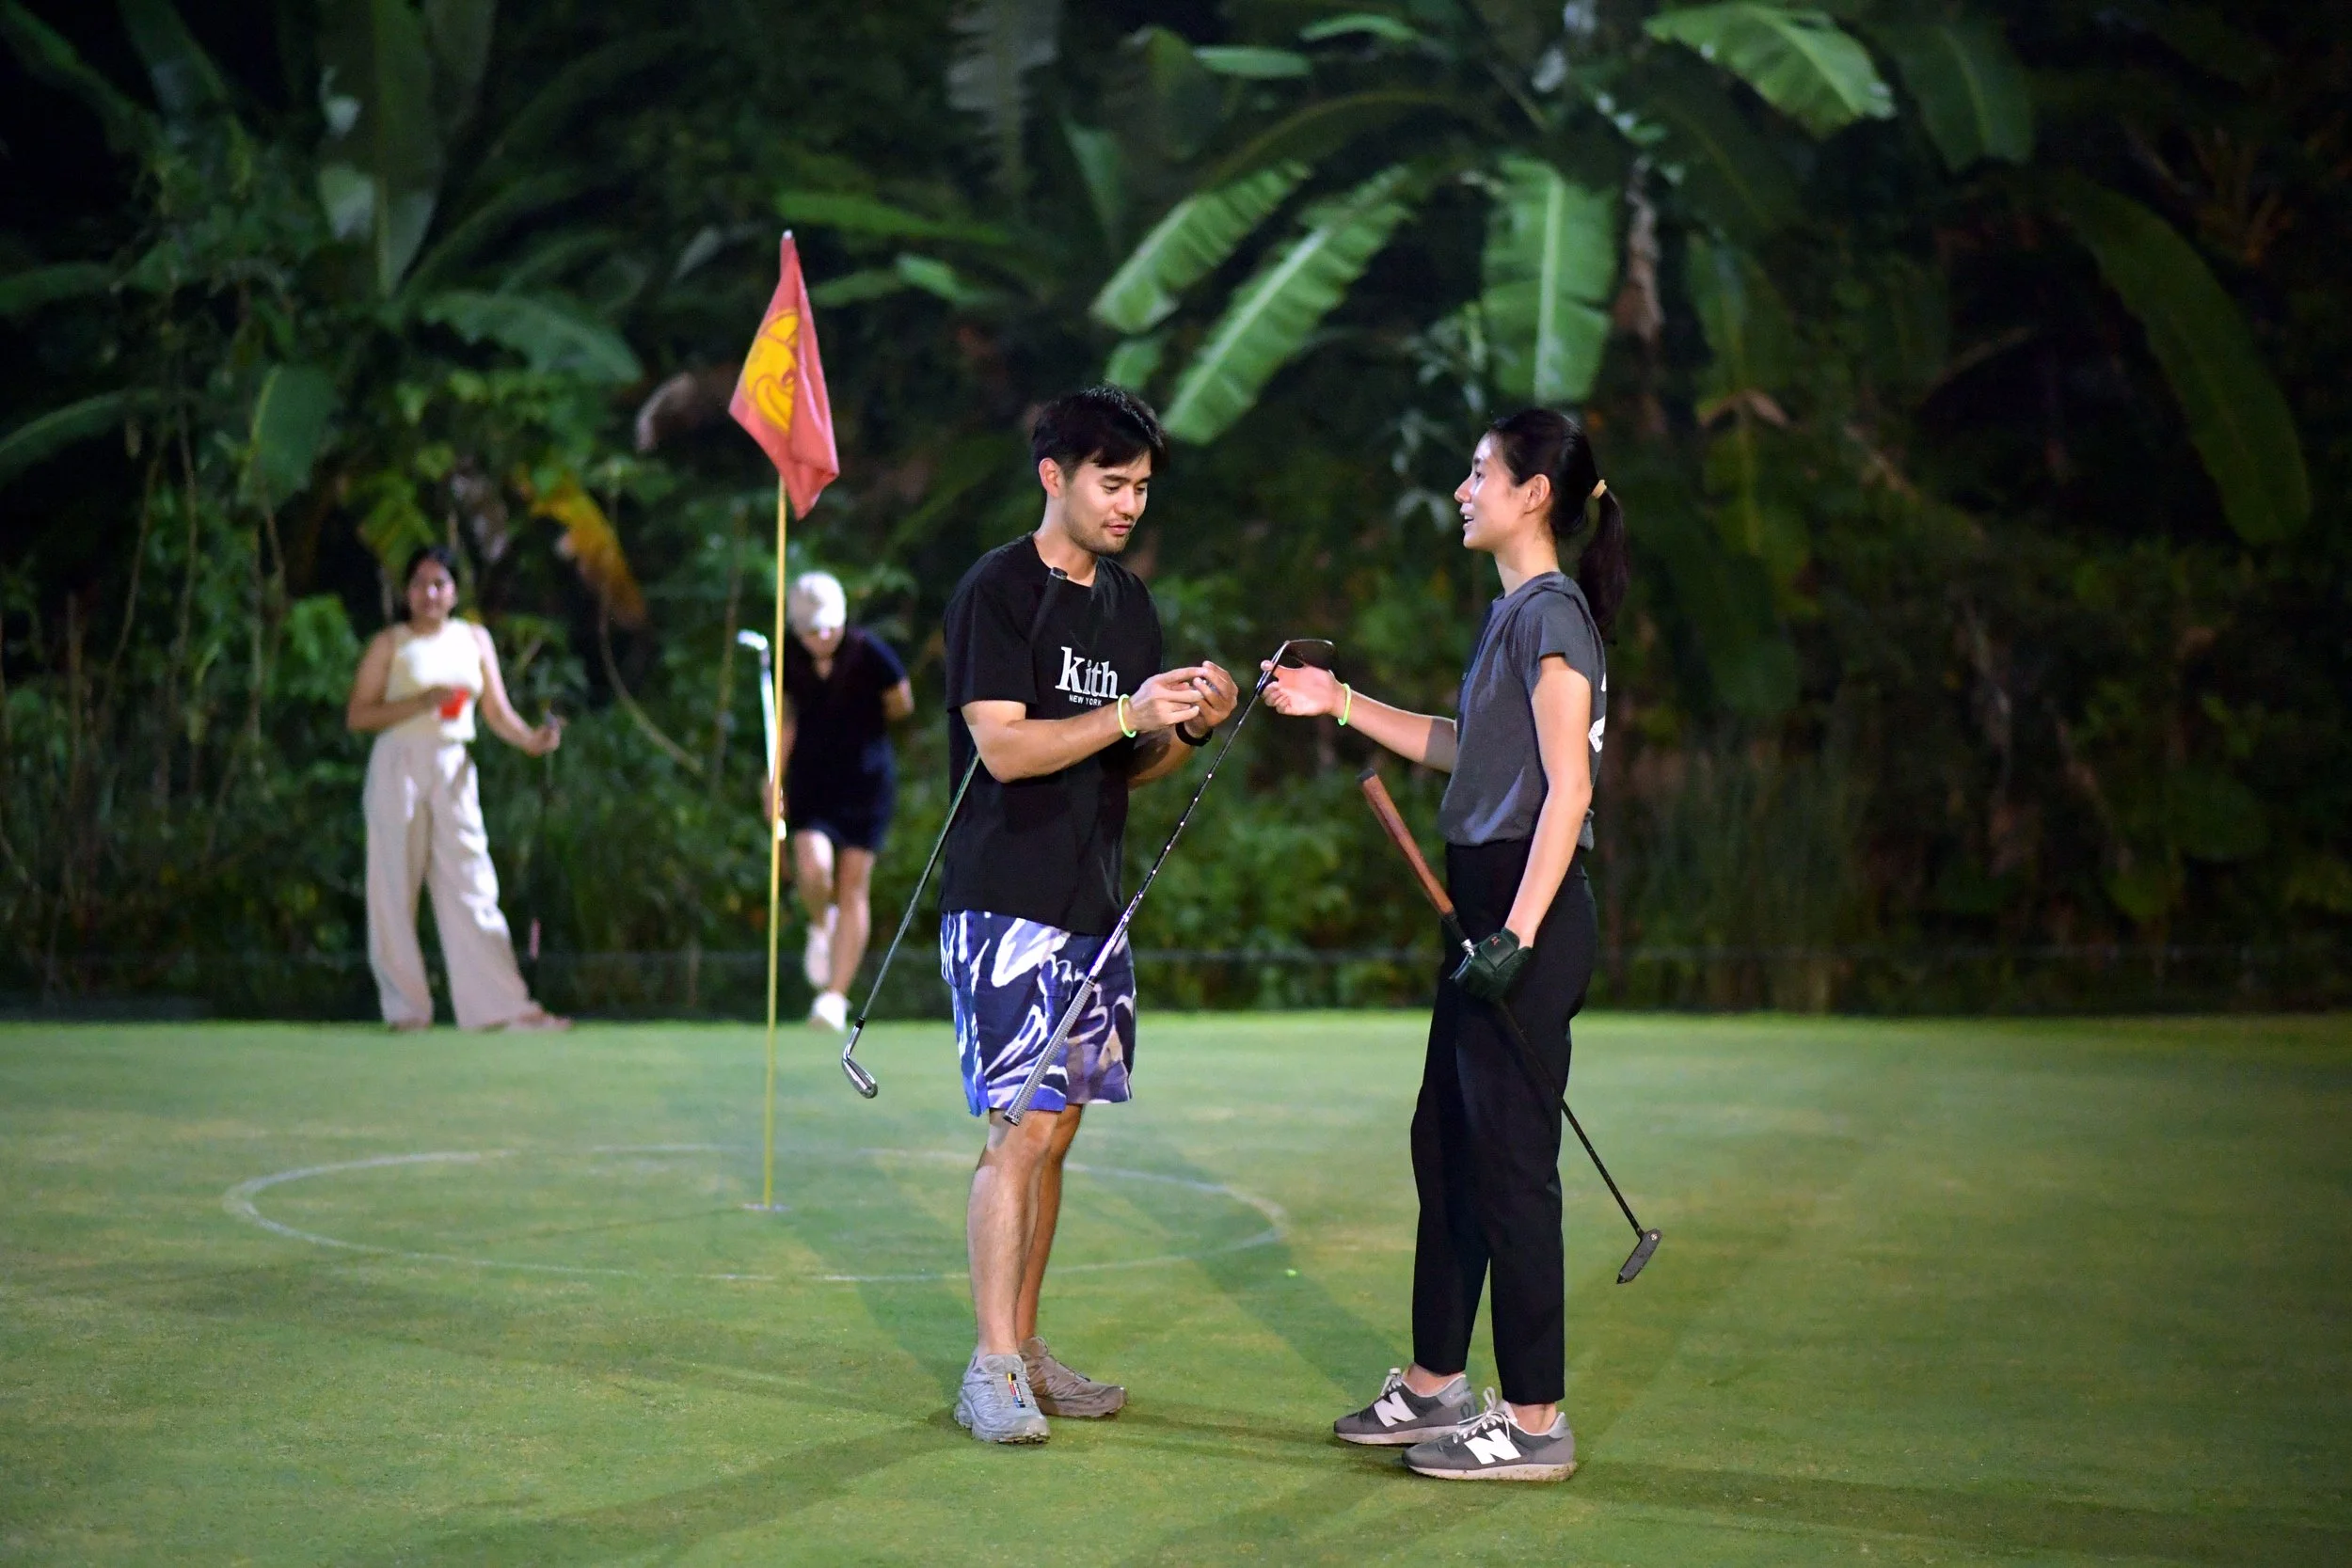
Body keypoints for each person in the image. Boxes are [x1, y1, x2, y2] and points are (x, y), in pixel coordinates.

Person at [1265, 408, 1628, 1481]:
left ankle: (1535, 1419)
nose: (1463, 490)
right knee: (1450, 1145)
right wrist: (1338, 702)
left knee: (1511, 1166)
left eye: (1479, 472)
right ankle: (1435, 1384)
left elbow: (1569, 790)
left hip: (1526, 913)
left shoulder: (1551, 613)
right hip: (1485, 909)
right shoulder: (1511, 612)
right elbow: (1471, 751)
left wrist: (1516, 930)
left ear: (1534, 494)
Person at [935, 386, 1238, 1444]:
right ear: (1053, 475)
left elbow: (1126, 765)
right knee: (1018, 1129)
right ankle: (988, 1367)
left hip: (1092, 906)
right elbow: (1004, 748)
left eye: (1142, 487)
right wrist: (1124, 710)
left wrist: (1186, 728)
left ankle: (1023, 1348)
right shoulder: (997, 590)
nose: (1128, 505)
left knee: (1057, 1130)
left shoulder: (1129, 603)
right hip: (1004, 902)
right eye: (1112, 483)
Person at [345, 545, 569, 1032]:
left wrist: (531, 739)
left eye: (439, 583)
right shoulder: (391, 643)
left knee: (472, 882)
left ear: (453, 591)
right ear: (407, 592)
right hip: (399, 764)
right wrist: (421, 701)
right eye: (420, 583)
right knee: (392, 887)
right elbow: (359, 715)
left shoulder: (474, 638)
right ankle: (406, 1011)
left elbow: (496, 712)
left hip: (453, 765)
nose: (429, 593)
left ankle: (501, 1007)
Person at [772, 570, 914, 1032]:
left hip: (866, 784)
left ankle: (834, 997)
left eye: (829, 626)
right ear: (798, 630)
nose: (823, 636)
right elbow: (787, 720)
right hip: (812, 783)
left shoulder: (869, 652)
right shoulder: (789, 658)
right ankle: (820, 923)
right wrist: (774, 780)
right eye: (812, 630)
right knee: (813, 867)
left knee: (854, 885)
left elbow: (902, 702)